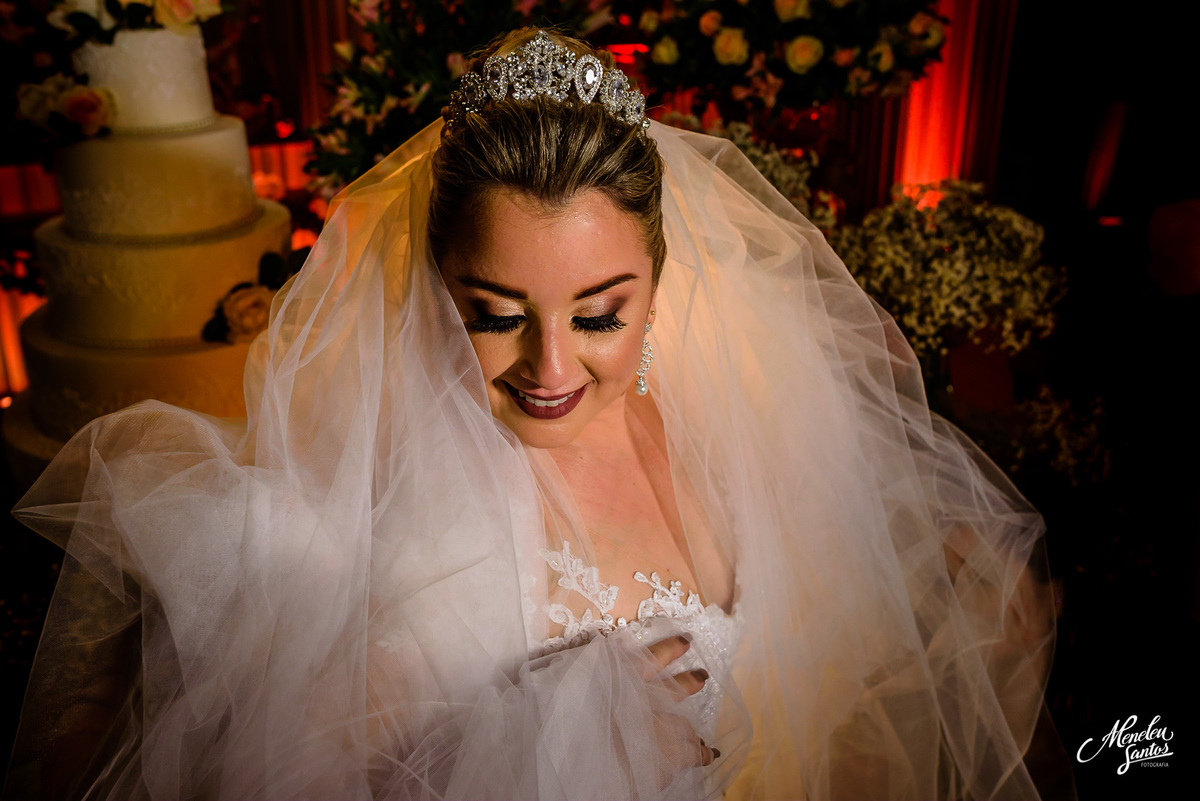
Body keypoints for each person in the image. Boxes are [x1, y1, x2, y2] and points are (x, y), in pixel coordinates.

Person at [4, 28, 1060, 800]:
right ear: (437, 288)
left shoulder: (727, 417)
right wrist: (546, 732)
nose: (550, 368)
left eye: (602, 315)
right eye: (497, 316)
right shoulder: (406, 527)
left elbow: (844, 670)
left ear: (659, 274)